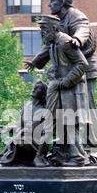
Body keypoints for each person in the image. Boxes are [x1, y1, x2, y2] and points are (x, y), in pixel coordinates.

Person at [25, 0, 97, 149]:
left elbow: (84, 29)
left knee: (88, 106)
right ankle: (66, 140)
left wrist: (77, 40)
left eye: (53, 1)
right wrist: (35, 62)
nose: (49, 4)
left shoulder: (75, 15)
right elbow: (50, 45)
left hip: (85, 68)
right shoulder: (58, 21)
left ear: (62, 3)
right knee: (65, 106)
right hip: (67, 70)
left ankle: (91, 142)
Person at [32, 14, 90, 167]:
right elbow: (45, 57)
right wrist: (35, 62)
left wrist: (65, 82)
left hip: (71, 88)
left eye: (44, 30)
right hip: (60, 88)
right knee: (65, 123)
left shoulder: (64, 42)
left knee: (70, 123)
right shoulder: (53, 43)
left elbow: (82, 64)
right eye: (41, 31)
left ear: (54, 28)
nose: (42, 34)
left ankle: (77, 158)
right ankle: (75, 156)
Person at [0, 81, 48, 166]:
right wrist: (9, 128)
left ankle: (10, 152)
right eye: (35, 86)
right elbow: (19, 126)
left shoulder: (45, 109)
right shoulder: (27, 106)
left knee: (21, 137)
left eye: (38, 88)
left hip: (37, 144)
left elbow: (46, 133)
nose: (34, 89)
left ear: (43, 93)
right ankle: (12, 156)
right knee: (21, 136)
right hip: (23, 137)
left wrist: (39, 154)